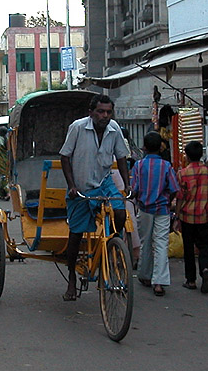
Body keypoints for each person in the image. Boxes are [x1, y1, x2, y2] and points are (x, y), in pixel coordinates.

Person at [59, 94, 130, 302]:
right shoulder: (78, 127)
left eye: (108, 112)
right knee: (76, 235)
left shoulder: (114, 128)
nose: (105, 116)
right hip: (80, 186)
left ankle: (112, 248)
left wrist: (127, 185)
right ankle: (71, 277)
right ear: (91, 112)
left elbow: (122, 157)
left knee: (120, 211)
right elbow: (65, 156)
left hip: (104, 182)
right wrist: (71, 185)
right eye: (100, 111)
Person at [130, 131, 180, 297]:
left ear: (144, 147)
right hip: (163, 209)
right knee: (160, 243)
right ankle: (159, 282)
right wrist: (167, 200)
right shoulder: (166, 166)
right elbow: (174, 189)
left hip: (144, 209)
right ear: (161, 147)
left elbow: (134, 190)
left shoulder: (138, 166)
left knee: (145, 242)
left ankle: (145, 275)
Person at [176, 141, 208, 294]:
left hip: (187, 217)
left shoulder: (182, 174)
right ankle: (205, 268)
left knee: (188, 249)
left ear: (187, 156)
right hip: (204, 216)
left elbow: (180, 197)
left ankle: (191, 280)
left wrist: (176, 214)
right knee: (206, 246)